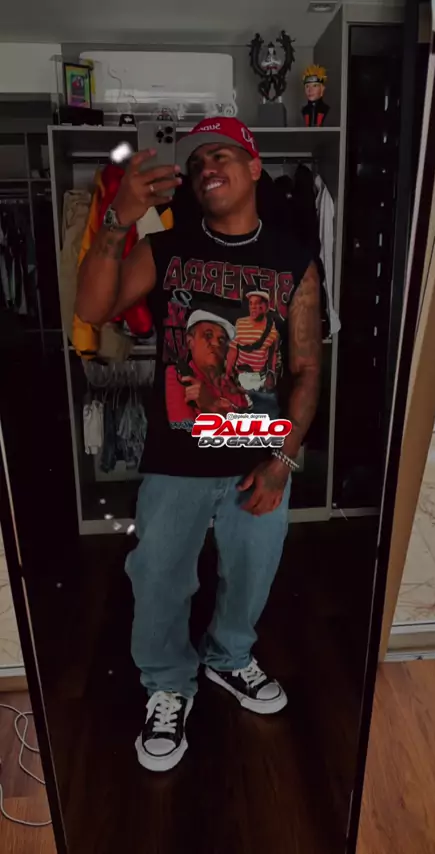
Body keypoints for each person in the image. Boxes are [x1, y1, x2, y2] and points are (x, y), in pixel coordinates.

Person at [76, 117, 321, 772]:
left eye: (221, 154)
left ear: (254, 166)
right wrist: (117, 221)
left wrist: (284, 460)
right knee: (158, 575)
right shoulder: (165, 249)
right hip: (177, 456)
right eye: (196, 161)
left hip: (260, 453)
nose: (206, 166)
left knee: (253, 569)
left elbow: (306, 368)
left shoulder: (294, 260)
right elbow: (93, 309)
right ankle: (166, 683)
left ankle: (229, 656)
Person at [166, 310, 251, 427]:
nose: (216, 343)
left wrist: (212, 406)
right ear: (190, 341)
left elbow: (248, 429)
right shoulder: (178, 377)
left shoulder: (232, 386)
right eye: (208, 335)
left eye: (221, 340)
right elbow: (184, 430)